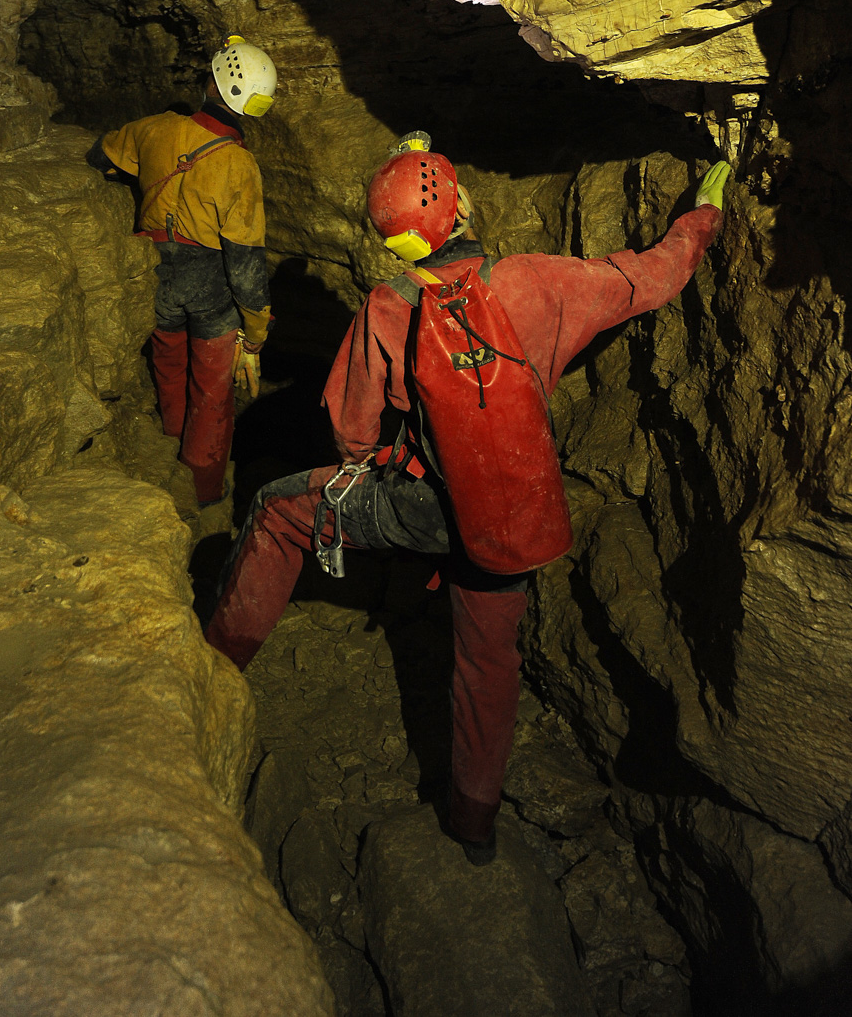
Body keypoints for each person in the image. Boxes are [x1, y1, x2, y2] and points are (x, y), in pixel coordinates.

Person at [205, 133, 730, 862]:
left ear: (393, 245)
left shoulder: (387, 309)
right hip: (512, 516)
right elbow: (653, 278)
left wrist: (389, 481)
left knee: (277, 509)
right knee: (489, 663)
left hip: (421, 506)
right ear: (463, 208)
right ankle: (474, 823)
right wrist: (703, 216)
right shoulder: (537, 282)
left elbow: (350, 434)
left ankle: (214, 668)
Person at [90, 36, 276, 505]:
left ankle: (171, 450)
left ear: (211, 84)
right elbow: (246, 263)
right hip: (210, 285)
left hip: (157, 275)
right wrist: (254, 335)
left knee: (168, 367)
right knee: (212, 395)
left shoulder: (154, 129)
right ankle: (202, 492)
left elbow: (101, 157)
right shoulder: (239, 164)